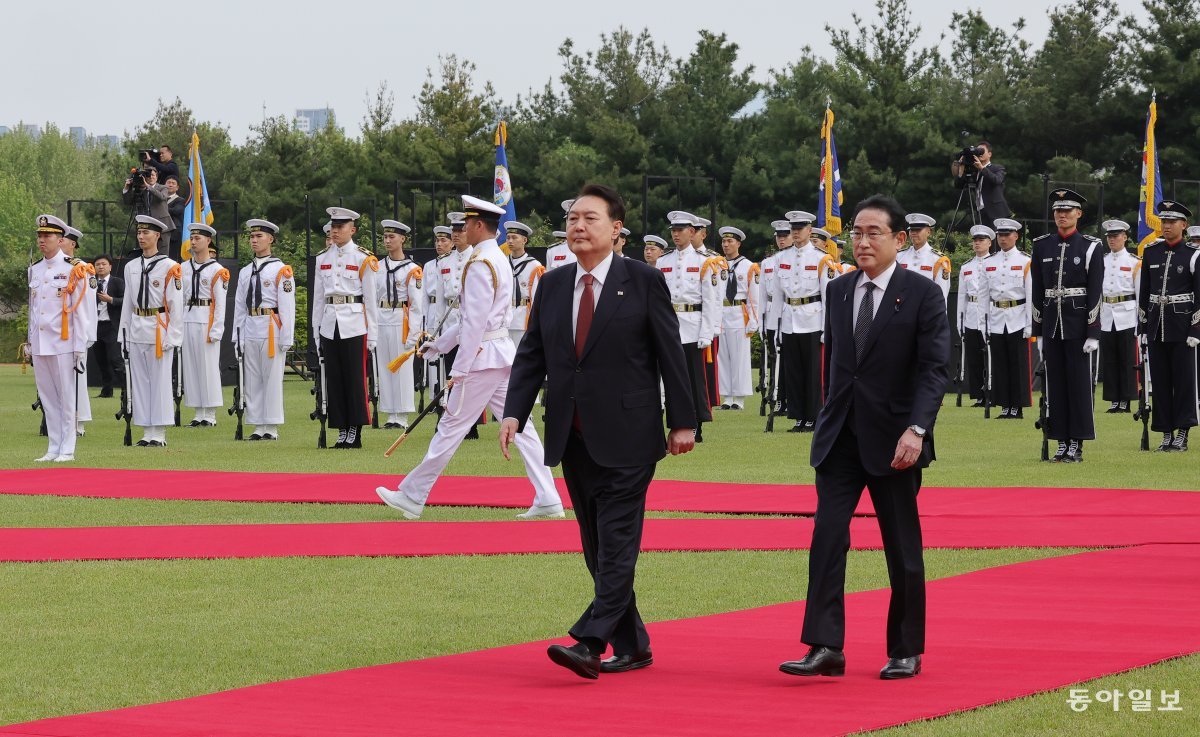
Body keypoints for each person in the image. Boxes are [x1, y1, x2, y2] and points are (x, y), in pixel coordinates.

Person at [499, 183, 696, 679]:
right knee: (595, 546)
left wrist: (686, 420)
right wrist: (513, 412)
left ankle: (590, 642)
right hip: (574, 434)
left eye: (590, 218)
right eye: (572, 220)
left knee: (616, 540)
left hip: (631, 434)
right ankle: (634, 645)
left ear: (616, 228)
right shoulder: (553, 283)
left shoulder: (644, 280)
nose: (579, 227)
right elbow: (533, 354)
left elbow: (671, 353)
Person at [780, 194, 950, 681]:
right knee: (827, 539)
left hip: (897, 440)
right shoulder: (838, 290)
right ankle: (824, 645)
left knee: (901, 547)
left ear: (900, 239)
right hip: (840, 439)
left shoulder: (923, 293)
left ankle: (905, 648)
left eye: (874, 232)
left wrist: (917, 430)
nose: (862, 241)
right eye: (856, 232)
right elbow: (838, 368)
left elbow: (934, 370)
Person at [376, 195, 563, 520]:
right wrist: (440, 345)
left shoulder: (480, 263)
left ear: (478, 225)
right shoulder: (496, 258)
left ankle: (411, 494)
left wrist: (459, 369)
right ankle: (548, 496)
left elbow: (474, 322)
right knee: (521, 427)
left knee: (451, 426)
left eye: (463, 225)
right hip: (499, 352)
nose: (459, 230)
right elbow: (474, 320)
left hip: (482, 359)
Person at [1030, 193, 1105, 462]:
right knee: (1056, 387)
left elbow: (1096, 291)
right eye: (1058, 211)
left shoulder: (1090, 246)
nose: (1062, 215)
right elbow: (1037, 290)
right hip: (1052, 325)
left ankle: (1078, 441)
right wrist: (1038, 330)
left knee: (1078, 386)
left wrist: (1093, 331)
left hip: (1078, 326)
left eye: (1068, 210)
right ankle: (1060, 439)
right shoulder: (1041, 246)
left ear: (1078, 214)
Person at [312, 207, 379, 448]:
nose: (336, 230)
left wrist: (373, 334)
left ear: (353, 229)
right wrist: (316, 330)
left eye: (341, 227)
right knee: (335, 380)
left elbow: (371, 301)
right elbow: (318, 299)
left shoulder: (363, 258)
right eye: (333, 226)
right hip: (330, 323)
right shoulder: (322, 258)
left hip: (354, 324)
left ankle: (355, 429)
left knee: (355, 379)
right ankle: (341, 429)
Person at [29, 215, 92, 462]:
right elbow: (35, 309)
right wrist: (31, 341)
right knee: (48, 398)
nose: (42, 240)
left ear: (60, 239)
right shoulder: (35, 269)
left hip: (64, 342)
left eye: (48, 236)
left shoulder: (74, 268)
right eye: (40, 236)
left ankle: (68, 448)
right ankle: (53, 446)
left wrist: (80, 347)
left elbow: (82, 311)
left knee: (66, 397)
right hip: (42, 341)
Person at [1138, 200, 1200, 451]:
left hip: (1182, 326)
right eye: (1164, 221)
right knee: (1160, 383)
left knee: (1183, 382)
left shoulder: (1193, 254)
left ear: (1183, 225)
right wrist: (1142, 329)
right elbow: (1144, 293)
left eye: (1172, 222)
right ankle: (1165, 431)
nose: (1166, 226)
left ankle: (1182, 432)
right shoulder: (1151, 252)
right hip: (1156, 325)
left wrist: (1195, 329)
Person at [655, 210, 720, 441]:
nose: (675, 235)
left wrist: (707, 332)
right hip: (670, 326)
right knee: (672, 379)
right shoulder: (663, 261)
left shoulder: (705, 262)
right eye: (673, 230)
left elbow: (710, 300)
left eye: (680, 230)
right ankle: (675, 422)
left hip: (693, 324)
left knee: (694, 379)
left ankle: (696, 424)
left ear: (692, 232)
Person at [119, 215, 183, 447]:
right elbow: (128, 302)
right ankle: (146, 430)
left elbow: (176, 304)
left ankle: (159, 432)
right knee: (140, 381)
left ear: (158, 235)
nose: (141, 236)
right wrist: (123, 335)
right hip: (137, 325)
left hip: (159, 326)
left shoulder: (170, 267)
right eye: (139, 232)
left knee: (160, 380)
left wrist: (173, 335)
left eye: (146, 233)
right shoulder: (131, 266)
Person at [233, 219, 296, 441]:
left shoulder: (281, 270)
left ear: (271, 239)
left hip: (271, 326)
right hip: (251, 324)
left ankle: (271, 426)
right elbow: (240, 306)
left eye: (259, 236)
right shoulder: (244, 271)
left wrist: (287, 336)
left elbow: (287, 306)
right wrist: (237, 336)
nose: (254, 240)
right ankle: (257, 425)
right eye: (251, 237)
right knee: (252, 379)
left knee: (271, 378)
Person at [773, 210, 834, 432]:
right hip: (790, 319)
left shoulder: (821, 258)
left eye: (800, 229)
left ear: (809, 230)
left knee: (813, 372)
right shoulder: (781, 258)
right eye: (793, 229)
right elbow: (778, 295)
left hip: (813, 320)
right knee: (794, 372)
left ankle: (814, 415)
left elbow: (828, 297)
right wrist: (776, 328)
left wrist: (827, 328)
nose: (796, 233)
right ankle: (798, 416)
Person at [374, 219, 424, 430]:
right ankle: (390, 413)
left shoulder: (412, 269)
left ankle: (402, 414)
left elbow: (416, 305)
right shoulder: (377, 267)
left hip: (400, 318)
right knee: (385, 367)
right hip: (381, 316)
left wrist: (414, 334)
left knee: (401, 368)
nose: (387, 241)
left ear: (402, 239)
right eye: (385, 237)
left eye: (392, 237)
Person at [981, 218, 1032, 418]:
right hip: (996, 317)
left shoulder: (1025, 261)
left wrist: (1030, 324)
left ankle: (1017, 406)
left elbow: (1029, 294)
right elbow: (984, 295)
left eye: (1007, 235)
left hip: (1017, 316)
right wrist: (982, 323)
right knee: (1000, 363)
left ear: (1016, 236)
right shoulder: (989, 262)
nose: (1003, 239)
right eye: (1000, 235)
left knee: (1018, 363)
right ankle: (1004, 405)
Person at [181, 223, 230, 427]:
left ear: (208, 241)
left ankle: (209, 413)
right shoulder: (183, 268)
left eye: (198, 238)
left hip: (206, 318)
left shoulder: (217, 270)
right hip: (187, 317)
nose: (193, 242)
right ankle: (197, 411)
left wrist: (217, 328)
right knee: (191, 367)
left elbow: (220, 302)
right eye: (191, 238)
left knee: (208, 366)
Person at [1099, 220, 1140, 413]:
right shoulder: (1102, 261)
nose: (1112, 240)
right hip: (1107, 312)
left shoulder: (1134, 262)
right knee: (1110, 359)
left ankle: (1126, 399)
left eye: (1116, 236)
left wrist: (1140, 321)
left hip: (1127, 313)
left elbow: (1140, 294)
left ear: (1125, 237)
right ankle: (1114, 399)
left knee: (1127, 359)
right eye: (1109, 237)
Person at [716, 226, 759, 410]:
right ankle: (726, 396)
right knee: (723, 356)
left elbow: (754, 296)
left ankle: (739, 398)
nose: (726, 245)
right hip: (722, 312)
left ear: (738, 244)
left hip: (739, 313)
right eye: (724, 241)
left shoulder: (749, 266)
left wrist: (754, 320)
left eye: (730, 241)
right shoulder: (717, 265)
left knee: (739, 356)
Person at [60, 226, 97, 437]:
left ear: (72, 244)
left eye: (62, 239)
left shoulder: (82, 268)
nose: (58, 242)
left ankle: (78, 421)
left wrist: (88, 334)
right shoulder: (48, 266)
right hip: (56, 332)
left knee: (77, 378)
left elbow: (89, 304)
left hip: (76, 330)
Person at [956, 226, 995, 406]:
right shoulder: (966, 267)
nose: (977, 243)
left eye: (981, 240)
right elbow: (961, 297)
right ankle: (979, 395)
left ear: (989, 242)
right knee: (974, 358)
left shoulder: (995, 263)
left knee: (992, 357)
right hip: (971, 315)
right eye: (975, 240)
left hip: (991, 315)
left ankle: (993, 393)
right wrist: (960, 322)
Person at [760, 219, 792, 415]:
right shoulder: (768, 262)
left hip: (790, 310)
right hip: (772, 310)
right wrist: (762, 320)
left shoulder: (793, 259)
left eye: (785, 236)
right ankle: (775, 396)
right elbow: (762, 293)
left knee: (788, 358)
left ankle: (785, 397)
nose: (781, 240)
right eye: (779, 237)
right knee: (773, 356)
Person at [505, 220, 545, 346]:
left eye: (514, 237)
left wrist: (535, 324)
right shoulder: (502, 262)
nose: (510, 241)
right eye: (508, 237)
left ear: (524, 240)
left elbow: (537, 297)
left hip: (523, 319)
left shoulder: (534, 266)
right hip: (504, 318)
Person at [951, 140, 1010, 224]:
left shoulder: (997, 168)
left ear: (989, 154)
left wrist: (981, 168)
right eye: (978, 151)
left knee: (996, 236)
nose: (980, 154)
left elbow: (997, 180)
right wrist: (961, 170)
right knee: (983, 236)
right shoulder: (975, 171)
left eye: (982, 151)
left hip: (996, 212)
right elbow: (958, 185)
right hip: (981, 212)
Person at [897, 213, 951, 303]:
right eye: (911, 230)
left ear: (928, 232)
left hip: (925, 310)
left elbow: (941, 294)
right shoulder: (899, 256)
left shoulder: (939, 260)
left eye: (918, 230)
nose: (913, 233)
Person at [90, 254, 124, 398]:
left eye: (104, 264)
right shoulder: (90, 283)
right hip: (95, 326)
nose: (101, 267)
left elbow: (126, 300)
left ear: (110, 266)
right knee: (101, 360)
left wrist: (110, 300)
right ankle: (107, 390)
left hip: (111, 325)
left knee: (115, 359)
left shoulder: (117, 282)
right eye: (98, 264)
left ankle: (126, 389)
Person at [122, 168, 175, 248]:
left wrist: (148, 186)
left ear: (156, 177)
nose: (151, 177)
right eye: (148, 175)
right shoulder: (141, 190)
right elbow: (128, 202)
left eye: (153, 175)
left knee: (162, 253)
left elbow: (162, 197)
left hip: (163, 226)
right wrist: (127, 188)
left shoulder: (163, 187)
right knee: (147, 252)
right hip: (147, 227)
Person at [165, 176, 187, 260]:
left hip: (174, 235)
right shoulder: (159, 199)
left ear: (177, 187)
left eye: (173, 183)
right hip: (160, 233)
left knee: (172, 259)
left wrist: (160, 208)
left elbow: (176, 211)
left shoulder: (180, 200)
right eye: (168, 182)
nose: (170, 185)